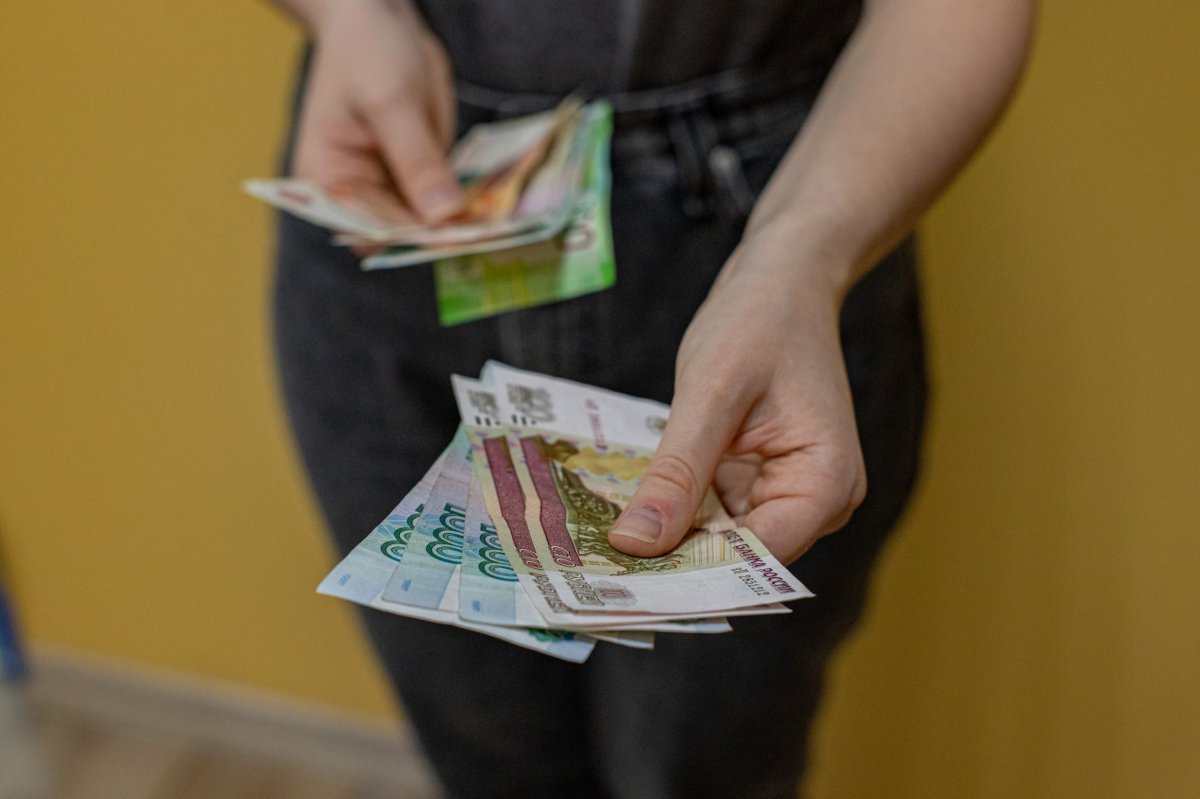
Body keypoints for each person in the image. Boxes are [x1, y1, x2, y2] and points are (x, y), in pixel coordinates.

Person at [267, 1, 1035, 797]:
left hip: (775, 223)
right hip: (396, 196)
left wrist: (800, 259)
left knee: (702, 771)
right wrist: (350, 16)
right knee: (486, 758)